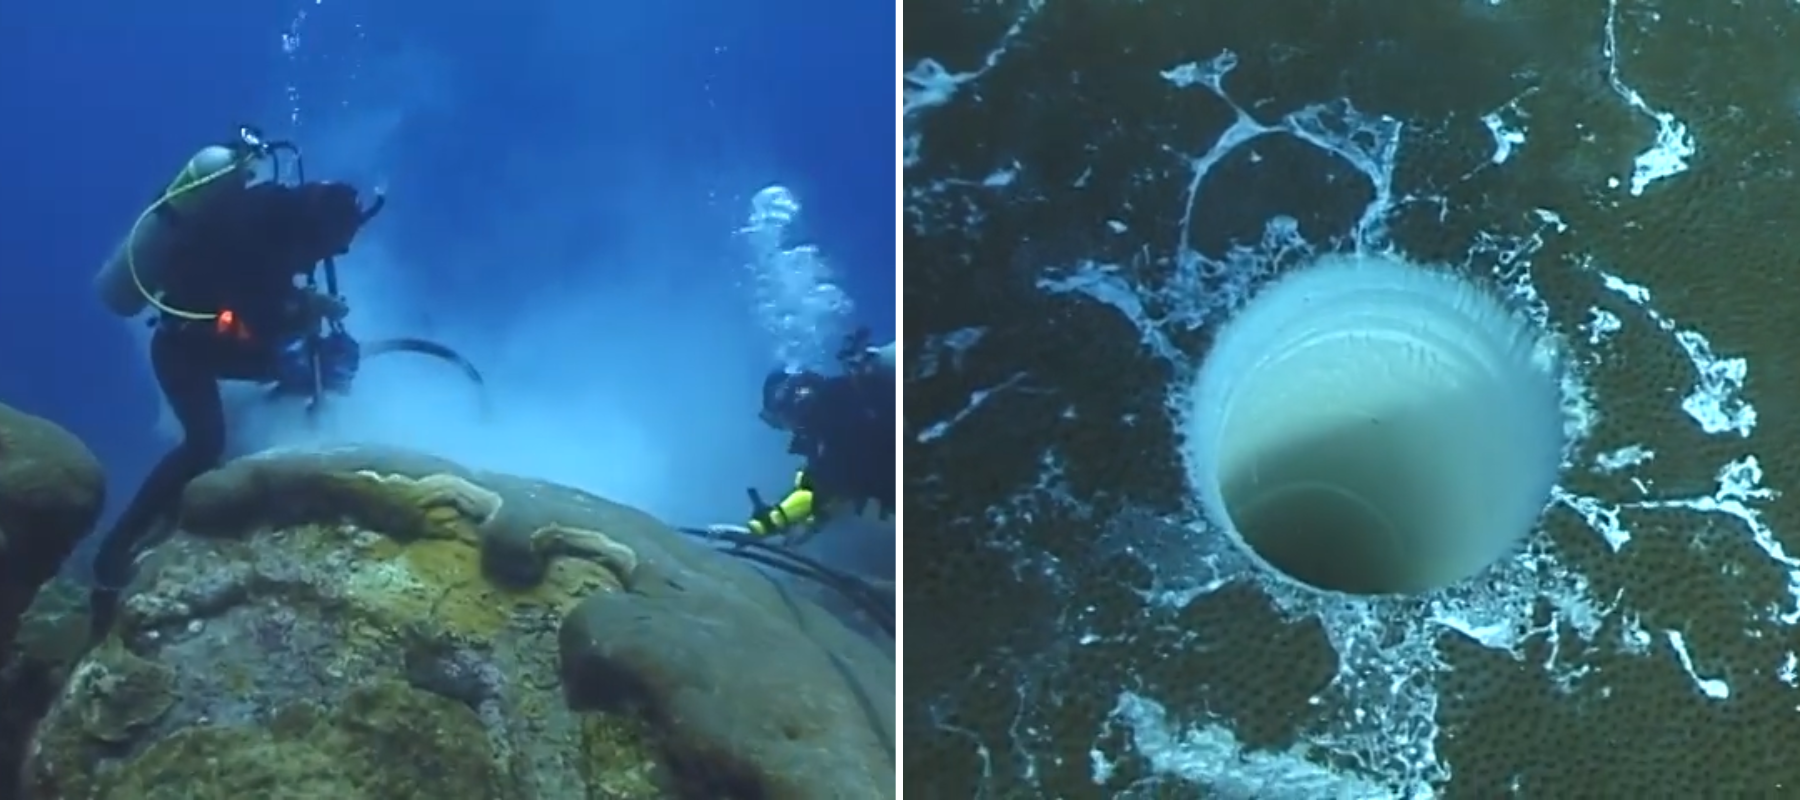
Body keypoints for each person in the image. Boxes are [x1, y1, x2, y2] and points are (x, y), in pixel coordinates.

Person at [87, 129, 380, 637]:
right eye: (334, 246)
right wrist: (302, 308)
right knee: (204, 443)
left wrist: (302, 321)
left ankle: (235, 462)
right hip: (185, 349)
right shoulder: (257, 231)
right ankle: (116, 551)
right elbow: (251, 307)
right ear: (319, 225)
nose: (329, 259)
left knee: (314, 367)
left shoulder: (284, 222)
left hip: (219, 340)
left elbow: (262, 308)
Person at [722, 332, 897, 543]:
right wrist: (812, 524)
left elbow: (822, 486)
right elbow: (841, 489)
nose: (790, 426)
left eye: (783, 415)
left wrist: (763, 526)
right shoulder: (839, 400)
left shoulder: (833, 405)